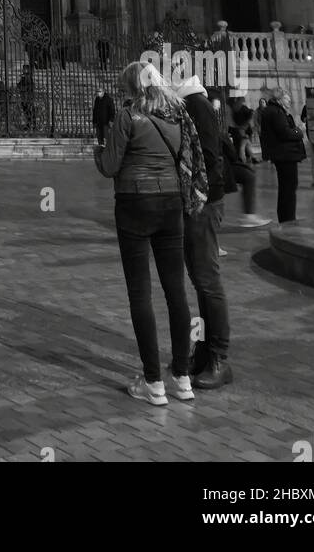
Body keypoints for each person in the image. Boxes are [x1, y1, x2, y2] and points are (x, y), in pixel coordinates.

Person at [94, 61, 208, 407]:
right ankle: (182, 377)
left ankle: (153, 381)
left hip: (134, 204)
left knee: (140, 292)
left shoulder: (129, 116)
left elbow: (111, 167)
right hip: (171, 205)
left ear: (131, 86)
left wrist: (98, 152)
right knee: (176, 290)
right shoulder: (178, 116)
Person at [178, 76, 232, 390]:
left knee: (208, 281)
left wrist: (193, 192)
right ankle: (204, 351)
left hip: (204, 204)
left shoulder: (196, 105)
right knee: (201, 281)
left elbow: (209, 158)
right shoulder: (189, 103)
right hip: (197, 204)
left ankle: (219, 359)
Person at [259, 88, 306, 223]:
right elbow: (285, 133)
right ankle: (288, 219)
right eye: (286, 98)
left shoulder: (274, 111)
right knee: (288, 189)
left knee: (287, 188)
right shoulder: (276, 112)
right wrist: (299, 131)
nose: (289, 100)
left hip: (283, 154)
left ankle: (287, 218)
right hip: (285, 155)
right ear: (279, 99)